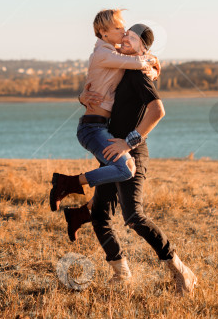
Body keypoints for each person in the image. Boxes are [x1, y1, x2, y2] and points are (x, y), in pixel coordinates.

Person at [67, 24, 198, 294]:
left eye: (133, 37)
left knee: (134, 215)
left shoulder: (139, 75)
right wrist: (83, 96)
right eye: (125, 34)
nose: (125, 38)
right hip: (112, 149)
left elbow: (158, 110)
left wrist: (129, 142)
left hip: (130, 152)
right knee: (100, 214)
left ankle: (181, 271)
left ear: (143, 47)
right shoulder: (120, 68)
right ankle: (121, 274)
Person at [49, 9, 159, 212]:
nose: (124, 31)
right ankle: (66, 183)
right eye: (118, 27)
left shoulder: (112, 52)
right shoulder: (103, 54)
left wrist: (153, 67)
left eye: (123, 26)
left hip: (100, 127)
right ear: (103, 32)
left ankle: (82, 212)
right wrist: (153, 62)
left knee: (125, 170)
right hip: (92, 128)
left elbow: (134, 62)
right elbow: (136, 61)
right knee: (125, 169)